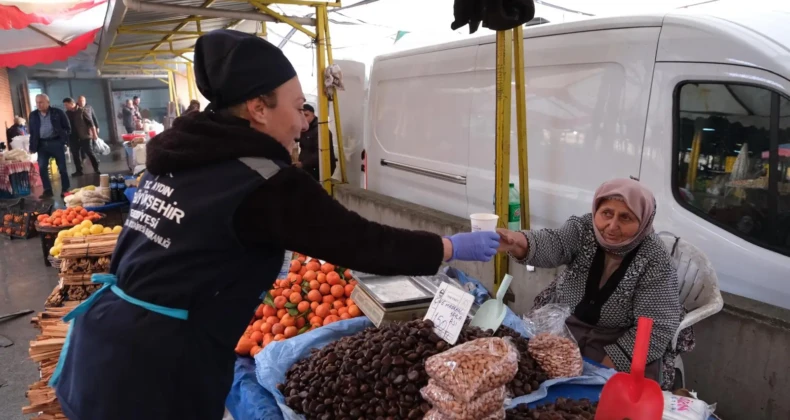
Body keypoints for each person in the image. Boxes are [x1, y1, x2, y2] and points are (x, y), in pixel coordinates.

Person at [51, 29, 502, 420]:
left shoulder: (180, 159)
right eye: (296, 104)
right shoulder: (262, 181)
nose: (303, 122)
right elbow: (365, 243)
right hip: (157, 375)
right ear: (258, 108)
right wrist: (449, 247)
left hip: (106, 346)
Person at [498, 178, 690, 388]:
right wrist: (517, 241)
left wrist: (604, 371)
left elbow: (656, 327)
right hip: (567, 329)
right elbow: (555, 243)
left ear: (644, 221)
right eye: (606, 213)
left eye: (625, 218)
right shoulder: (584, 229)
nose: (612, 226)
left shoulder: (655, 259)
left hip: (619, 340)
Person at [28, 94, 71, 198]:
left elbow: (67, 128)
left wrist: (62, 141)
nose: (39, 104)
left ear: (48, 102)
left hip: (56, 143)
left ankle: (65, 189)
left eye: (41, 102)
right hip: (41, 145)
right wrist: (32, 146)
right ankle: (47, 190)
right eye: (37, 102)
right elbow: (32, 132)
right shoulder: (33, 115)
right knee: (42, 168)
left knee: (62, 168)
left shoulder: (58, 113)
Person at [296, 103, 336, 181]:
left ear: (313, 115)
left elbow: (320, 153)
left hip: (319, 169)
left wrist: (303, 164)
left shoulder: (321, 131)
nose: (303, 118)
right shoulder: (305, 129)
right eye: (301, 116)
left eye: (306, 115)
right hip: (307, 167)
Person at [63, 97, 100, 175]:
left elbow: (91, 123)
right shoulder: (67, 113)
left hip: (85, 136)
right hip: (73, 137)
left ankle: (96, 168)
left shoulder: (82, 111)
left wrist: (94, 134)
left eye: (66, 105)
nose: (65, 107)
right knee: (75, 154)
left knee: (89, 152)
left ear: (72, 103)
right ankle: (79, 171)